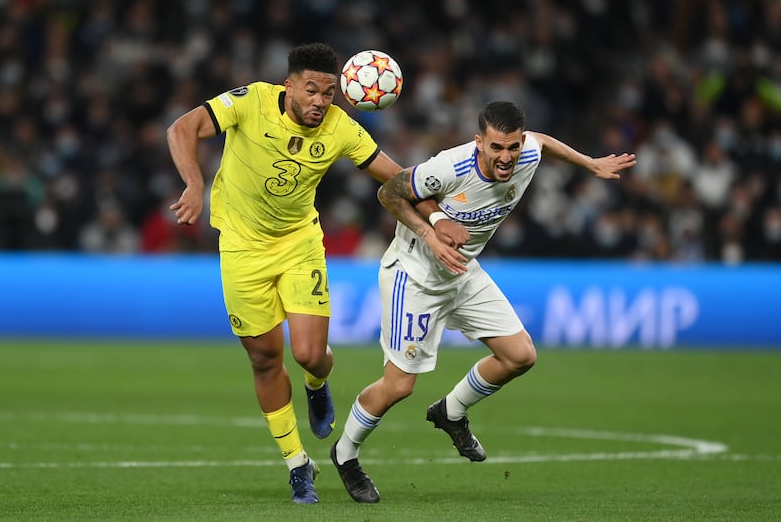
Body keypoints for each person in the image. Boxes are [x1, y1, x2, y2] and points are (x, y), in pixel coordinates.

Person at [165, 42, 462, 504]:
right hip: (241, 249)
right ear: (289, 87)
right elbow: (183, 127)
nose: (320, 102)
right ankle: (298, 464)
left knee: (307, 355)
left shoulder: (341, 128)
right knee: (264, 359)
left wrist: (438, 218)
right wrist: (194, 182)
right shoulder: (250, 102)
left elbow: (397, 175)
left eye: (329, 93)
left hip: (299, 245)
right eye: (311, 90)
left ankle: (317, 385)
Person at [329, 100, 636, 503]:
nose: (506, 157)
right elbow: (389, 192)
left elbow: (543, 141)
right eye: (496, 148)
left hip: (463, 272)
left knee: (520, 355)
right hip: (415, 275)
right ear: (479, 143)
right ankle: (346, 453)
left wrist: (590, 164)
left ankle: (450, 412)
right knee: (399, 385)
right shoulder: (450, 167)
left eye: (512, 146)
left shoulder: (528, 151)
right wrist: (433, 232)